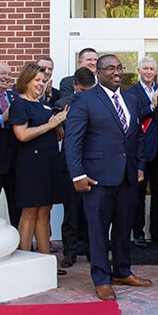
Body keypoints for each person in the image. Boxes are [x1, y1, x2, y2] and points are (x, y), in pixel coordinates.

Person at [64, 54, 151, 301]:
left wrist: (139, 165)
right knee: (99, 231)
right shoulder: (84, 99)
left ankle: (122, 271)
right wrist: (78, 175)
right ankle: (101, 279)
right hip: (97, 179)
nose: (116, 72)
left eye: (119, 67)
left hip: (127, 177)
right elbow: (73, 140)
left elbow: (138, 136)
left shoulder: (132, 100)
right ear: (98, 73)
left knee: (124, 229)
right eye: (110, 68)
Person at [9, 62, 67, 258]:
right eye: (38, 80)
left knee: (45, 211)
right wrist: (50, 125)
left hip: (49, 163)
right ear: (26, 80)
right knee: (30, 212)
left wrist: (58, 123)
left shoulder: (45, 104)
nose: (42, 84)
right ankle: (24, 261)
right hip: (31, 165)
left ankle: (46, 261)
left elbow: (57, 135)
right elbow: (22, 135)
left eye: (44, 81)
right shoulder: (19, 103)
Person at [126, 56, 158, 247]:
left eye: (152, 69)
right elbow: (133, 119)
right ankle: (138, 233)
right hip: (140, 151)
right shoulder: (130, 92)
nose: (149, 72)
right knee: (139, 194)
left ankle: (157, 232)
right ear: (138, 71)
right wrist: (152, 105)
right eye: (145, 69)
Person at [55, 67, 96, 269]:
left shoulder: (99, 103)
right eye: (82, 91)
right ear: (74, 86)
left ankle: (92, 250)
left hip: (93, 165)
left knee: (92, 212)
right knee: (70, 213)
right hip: (68, 167)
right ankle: (70, 252)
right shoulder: (61, 106)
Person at [0, 61, 20, 228]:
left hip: (15, 163)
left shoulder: (14, 97)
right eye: (3, 73)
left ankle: (19, 244)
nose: (7, 77)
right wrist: (1, 119)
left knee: (16, 208)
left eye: (9, 74)